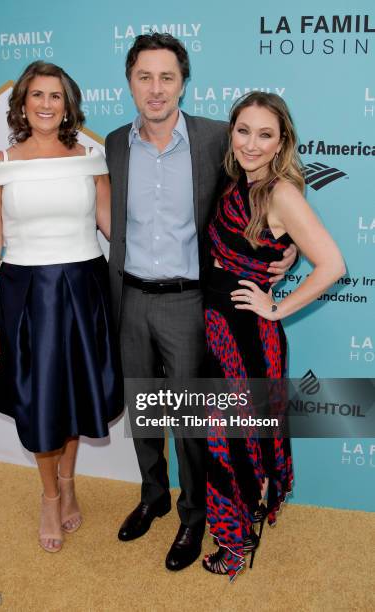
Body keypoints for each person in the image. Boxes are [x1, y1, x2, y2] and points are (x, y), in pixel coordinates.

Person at [105, 33, 297, 571]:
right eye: (145, 76)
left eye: (167, 76)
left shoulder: (219, 137)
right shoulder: (116, 143)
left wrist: (286, 254)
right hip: (132, 297)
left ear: (184, 82)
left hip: (192, 304)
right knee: (144, 412)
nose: (156, 88)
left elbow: (270, 193)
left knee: (190, 420)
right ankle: (153, 495)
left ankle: (194, 516)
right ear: (130, 83)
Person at [0, 61, 122, 553]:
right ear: (21, 103)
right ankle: (48, 495)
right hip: (26, 293)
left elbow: (111, 228)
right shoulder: (0, 162)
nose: (44, 104)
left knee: (76, 392)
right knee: (41, 399)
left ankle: (70, 482)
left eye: (54, 96)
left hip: (84, 286)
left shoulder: (91, 158)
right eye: (36, 95)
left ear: (68, 105)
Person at [202, 91, 345, 579]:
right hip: (218, 329)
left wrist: (276, 305)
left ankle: (236, 543)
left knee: (233, 438)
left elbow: (332, 265)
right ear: (232, 133)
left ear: (282, 140)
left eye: (265, 134)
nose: (252, 144)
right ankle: (248, 514)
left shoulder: (281, 193)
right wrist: (274, 264)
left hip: (248, 336)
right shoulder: (234, 181)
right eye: (244, 131)